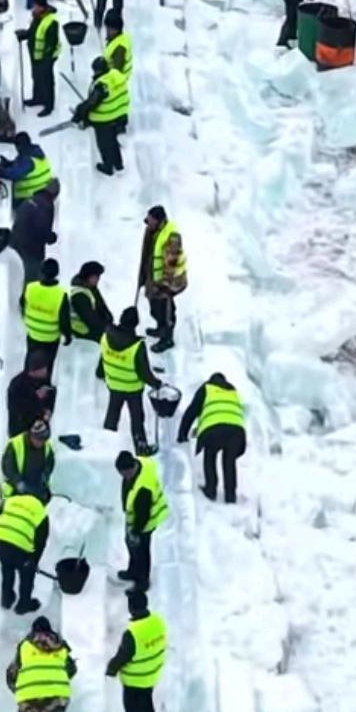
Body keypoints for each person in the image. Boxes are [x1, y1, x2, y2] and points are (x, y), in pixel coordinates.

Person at [107, 588, 167, 712]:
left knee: (133, 708)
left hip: (135, 678)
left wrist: (111, 669)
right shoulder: (157, 621)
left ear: (131, 608)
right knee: (146, 701)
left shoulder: (132, 633)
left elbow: (123, 656)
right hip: (152, 673)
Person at [178, 373, 247, 503]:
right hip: (236, 432)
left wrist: (182, 433)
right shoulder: (233, 391)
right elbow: (223, 413)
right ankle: (230, 496)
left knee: (210, 455)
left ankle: (211, 489)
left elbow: (192, 411)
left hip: (213, 431)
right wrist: (197, 431)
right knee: (229, 461)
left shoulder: (207, 388)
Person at [98, 305, 155, 451]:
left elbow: (103, 357)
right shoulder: (136, 346)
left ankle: (106, 444)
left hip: (113, 383)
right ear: (136, 324)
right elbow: (144, 372)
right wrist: (157, 384)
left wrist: (100, 372)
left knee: (112, 412)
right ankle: (141, 446)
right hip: (132, 388)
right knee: (137, 418)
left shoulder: (106, 336)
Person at [0, 490, 51, 615]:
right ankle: (24, 604)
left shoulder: (11, 500)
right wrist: (32, 562)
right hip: (18, 548)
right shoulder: (41, 513)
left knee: (7, 566)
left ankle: (6, 599)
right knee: (26, 574)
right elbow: (40, 542)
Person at [116, 450, 170, 591]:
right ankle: (132, 571)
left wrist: (136, 531)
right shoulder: (140, 463)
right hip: (136, 517)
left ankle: (142, 581)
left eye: (124, 474)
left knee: (141, 551)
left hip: (145, 522)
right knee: (132, 546)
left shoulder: (143, 489)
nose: (123, 477)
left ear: (130, 469)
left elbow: (143, 515)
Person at [138, 204, 187, 354]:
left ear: (159, 220)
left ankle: (167, 339)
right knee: (155, 308)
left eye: (151, 219)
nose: (147, 221)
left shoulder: (171, 237)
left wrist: (166, 286)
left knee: (166, 311)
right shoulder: (153, 230)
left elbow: (171, 264)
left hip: (167, 283)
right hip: (154, 279)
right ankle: (160, 328)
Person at [74, 54, 130, 176]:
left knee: (104, 144)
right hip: (118, 115)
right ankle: (118, 164)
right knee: (113, 141)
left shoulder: (102, 85)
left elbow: (92, 103)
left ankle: (108, 167)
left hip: (104, 119)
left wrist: (79, 112)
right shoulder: (116, 75)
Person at [21, 257, 72, 378]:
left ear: (41, 271)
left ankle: (26, 382)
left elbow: (22, 305)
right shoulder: (60, 294)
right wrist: (68, 336)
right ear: (57, 274)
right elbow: (64, 320)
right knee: (46, 365)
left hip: (32, 333)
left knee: (30, 360)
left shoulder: (30, 288)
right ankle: (44, 387)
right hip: (50, 337)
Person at [0, 416, 56, 500]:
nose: (41, 443)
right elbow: (7, 468)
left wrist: (45, 475)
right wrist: (18, 482)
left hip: (36, 492)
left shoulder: (47, 447)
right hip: (14, 493)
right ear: (32, 436)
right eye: (39, 440)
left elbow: (50, 463)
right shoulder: (15, 444)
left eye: (43, 440)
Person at [10, 188, 56, 287]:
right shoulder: (46, 206)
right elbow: (41, 228)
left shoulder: (30, 200)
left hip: (15, 240)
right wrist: (51, 237)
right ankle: (27, 298)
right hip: (32, 248)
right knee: (32, 277)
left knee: (17, 272)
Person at [23, 0, 59, 115]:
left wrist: (46, 59)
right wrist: (23, 35)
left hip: (46, 57)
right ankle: (37, 98)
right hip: (35, 55)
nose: (34, 8)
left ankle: (49, 105)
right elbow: (33, 32)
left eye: (36, 6)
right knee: (36, 77)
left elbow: (51, 43)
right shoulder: (37, 17)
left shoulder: (51, 21)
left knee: (47, 81)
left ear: (42, 7)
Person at [6, 352, 56, 439]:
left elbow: (51, 396)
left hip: (41, 430)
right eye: (43, 369)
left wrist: (48, 411)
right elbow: (17, 408)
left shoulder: (44, 381)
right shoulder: (17, 384)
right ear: (35, 370)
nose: (46, 371)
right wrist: (36, 398)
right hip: (21, 431)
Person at [0, 131, 55, 206]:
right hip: (42, 194)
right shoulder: (35, 153)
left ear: (19, 146)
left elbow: (14, 174)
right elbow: (22, 167)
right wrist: (8, 164)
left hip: (27, 198)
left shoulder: (26, 159)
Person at [70, 260, 112, 342]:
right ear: (88, 277)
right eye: (96, 277)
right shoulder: (79, 295)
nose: (98, 279)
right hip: (82, 333)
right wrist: (106, 329)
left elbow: (101, 306)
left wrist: (109, 320)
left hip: (91, 330)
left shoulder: (91, 288)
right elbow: (92, 321)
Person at [103, 11, 132, 80]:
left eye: (108, 28)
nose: (106, 31)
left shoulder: (119, 49)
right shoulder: (121, 38)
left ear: (115, 29)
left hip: (116, 86)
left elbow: (115, 74)